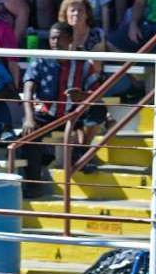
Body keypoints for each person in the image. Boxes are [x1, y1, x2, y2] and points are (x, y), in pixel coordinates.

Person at [20, 23, 105, 197]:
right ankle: (33, 184)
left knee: (99, 109)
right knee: (28, 134)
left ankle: (80, 153)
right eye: (52, 38)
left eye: (59, 38)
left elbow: (96, 93)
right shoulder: (40, 60)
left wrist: (82, 96)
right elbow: (28, 90)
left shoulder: (83, 63)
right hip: (45, 114)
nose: (55, 42)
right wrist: (29, 118)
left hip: (73, 116)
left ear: (70, 39)